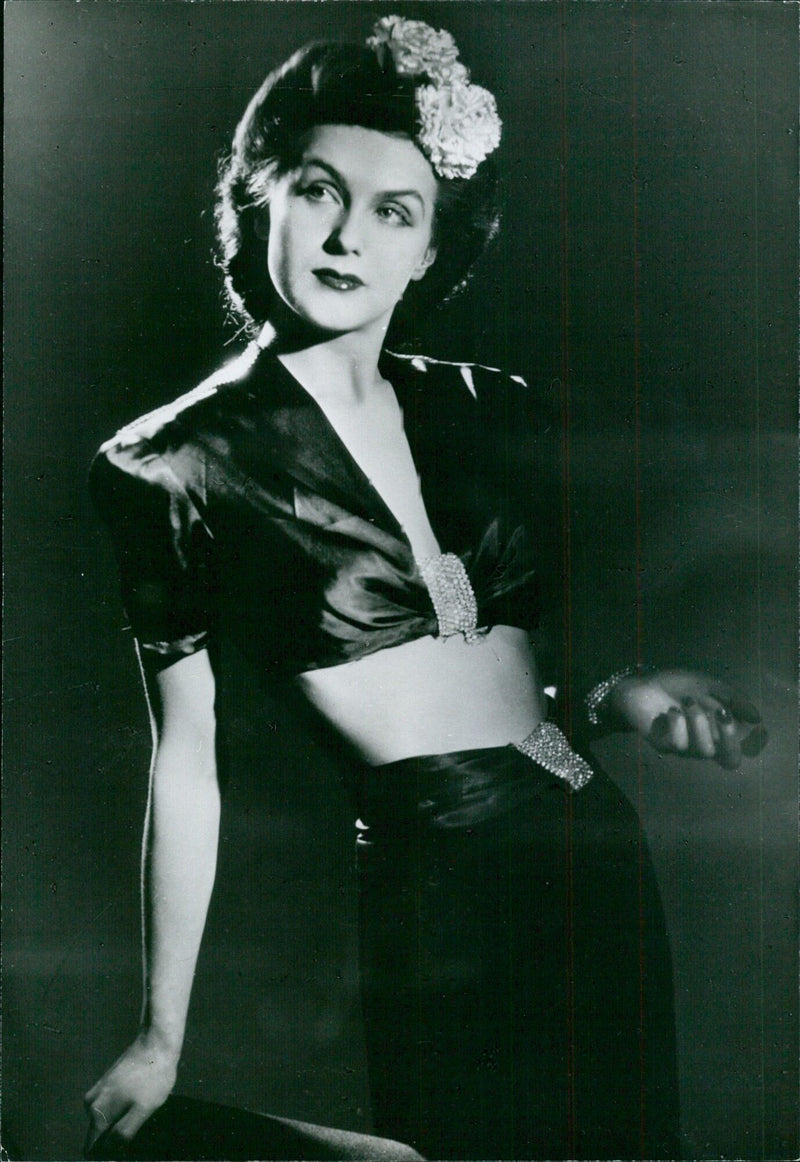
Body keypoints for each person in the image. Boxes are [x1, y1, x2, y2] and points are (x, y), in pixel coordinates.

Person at [84, 17, 764, 1160]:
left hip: (595, 847)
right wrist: (162, 1030)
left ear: (430, 247)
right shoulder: (172, 462)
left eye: (392, 210)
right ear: (258, 199)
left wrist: (623, 693)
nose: (347, 235)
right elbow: (186, 760)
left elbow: (506, 661)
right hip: (443, 888)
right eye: (317, 190)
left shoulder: (485, 405)